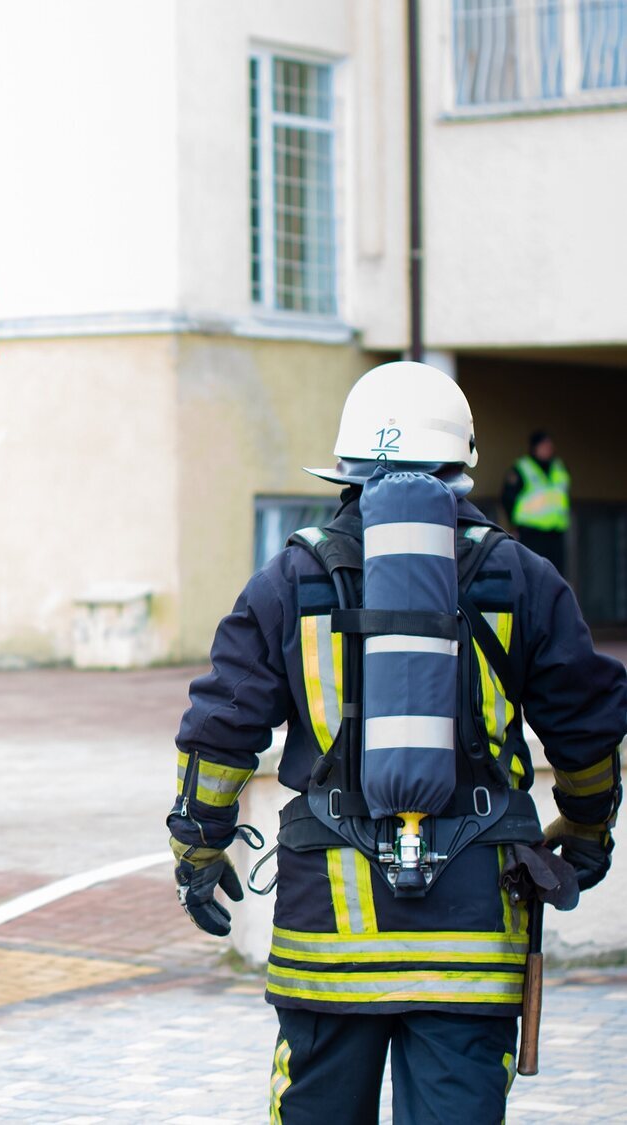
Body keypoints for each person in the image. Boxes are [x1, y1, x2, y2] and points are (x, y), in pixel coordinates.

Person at [167, 362, 626, 1124]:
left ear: (346, 469)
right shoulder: (521, 576)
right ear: (460, 465)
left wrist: (198, 849)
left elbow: (220, 731)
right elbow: (589, 726)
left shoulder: (292, 578)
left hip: (327, 938)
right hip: (473, 936)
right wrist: (584, 832)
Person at [500, 430, 570, 576]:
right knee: (532, 574)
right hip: (531, 533)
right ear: (534, 447)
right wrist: (514, 525)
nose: (548, 449)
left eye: (549, 446)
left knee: (556, 576)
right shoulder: (522, 468)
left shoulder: (558, 467)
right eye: (544, 445)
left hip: (555, 533)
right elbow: (507, 498)